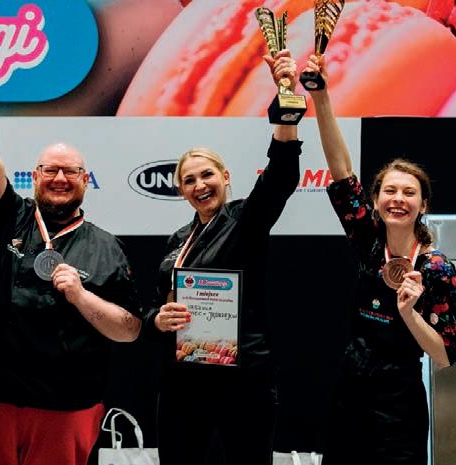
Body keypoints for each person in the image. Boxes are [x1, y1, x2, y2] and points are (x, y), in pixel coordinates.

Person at [0, 40, 142, 465]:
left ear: (85, 180)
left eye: (70, 171)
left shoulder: (106, 246)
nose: (59, 178)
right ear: (34, 177)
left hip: (66, 402)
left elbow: (129, 330)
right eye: (50, 170)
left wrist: (82, 297)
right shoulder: (6, 215)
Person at [142, 49, 302, 465]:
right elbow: (158, 304)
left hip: (243, 378)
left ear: (225, 177)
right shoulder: (178, 240)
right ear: (181, 191)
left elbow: (282, 175)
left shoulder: (246, 219)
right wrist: (157, 319)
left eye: (207, 175)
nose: (200, 185)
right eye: (189, 180)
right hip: (184, 379)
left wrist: (286, 100)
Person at [303, 54, 456, 464]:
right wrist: (321, 97)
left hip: (400, 399)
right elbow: (341, 169)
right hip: (351, 386)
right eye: (389, 191)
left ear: (423, 205)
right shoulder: (367, 240)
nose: (398, 199)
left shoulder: (436, 268)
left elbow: (444, 355)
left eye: (409, 193)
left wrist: (410, 314)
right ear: (374, 201)